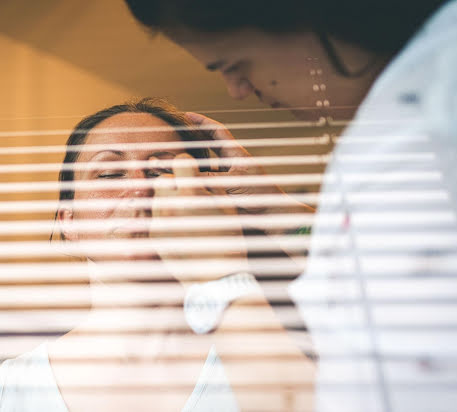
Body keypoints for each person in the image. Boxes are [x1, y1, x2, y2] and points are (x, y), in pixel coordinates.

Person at [123, 1, 457, 412]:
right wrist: (272, 206)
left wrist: (218, 279)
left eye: (232, 64)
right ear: (64, 220)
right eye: (109, 174)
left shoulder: (420, 134)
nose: (237, 89)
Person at [0, 98, 315, 412]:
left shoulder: (285, 360)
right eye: (109, 174)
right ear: (69, 223)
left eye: (163, 170)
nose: (140, 187)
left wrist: (272, 206)